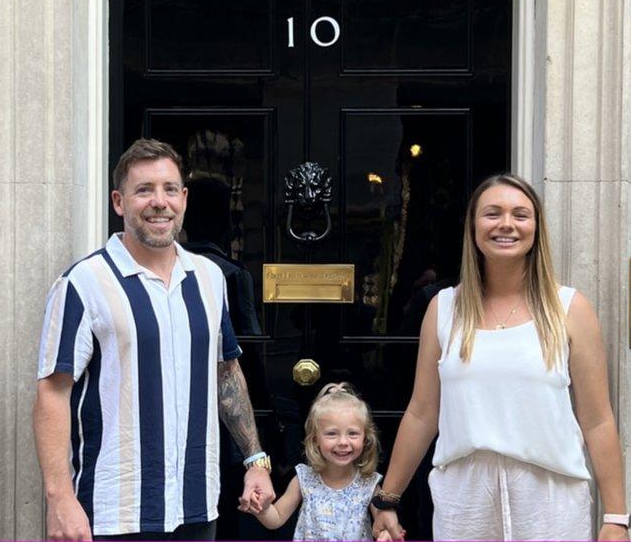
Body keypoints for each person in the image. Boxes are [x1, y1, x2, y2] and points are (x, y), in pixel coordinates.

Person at [32, 139, 275, 540]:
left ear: (183, 198)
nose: (158, 202)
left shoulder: (209, 278)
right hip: (114, 513)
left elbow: (226, 373)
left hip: (197, 506)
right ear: (118, 202)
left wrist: (256, 460)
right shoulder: (84, 283)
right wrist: (59, 498)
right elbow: (52, 393)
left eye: (169, 189)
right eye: (144, 190)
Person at [370, 174, 630, 541]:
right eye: (492, 213)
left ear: (536, 228)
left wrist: (616, 517)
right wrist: (387, 498)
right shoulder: (443, 309)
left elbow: (598, 420)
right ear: (473, 226)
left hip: (551, 501)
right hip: (465, 500)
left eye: (520, 215)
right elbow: (422, 413)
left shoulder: (570, 308)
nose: (506, 224)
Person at [241, 383, 393, 541]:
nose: (343, 442)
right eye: (332, 434)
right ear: (315, 440)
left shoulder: (369, 484)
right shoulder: (304, 479)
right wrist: (262, 507)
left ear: (366, 438)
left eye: (353, 434)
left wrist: (385, 533)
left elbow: (383, 524)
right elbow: (277, 518)